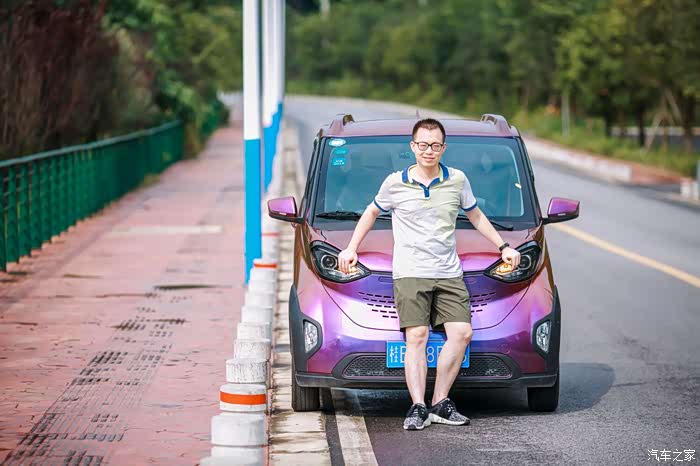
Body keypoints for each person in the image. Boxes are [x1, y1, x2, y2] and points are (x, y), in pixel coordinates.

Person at [337, 118, 521, 430]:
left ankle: (439, 402)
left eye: (435, 145)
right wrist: (351, 248)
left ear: (443, 148)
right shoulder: (395, 183)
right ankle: (418, 406)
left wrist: (503, 246)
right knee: (417, 336)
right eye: (423, 145)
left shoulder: (457, 180)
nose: (428, 151)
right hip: (410, 273)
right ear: (413, 146)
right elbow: (372, 211)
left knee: (461, 334)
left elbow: (475, 214)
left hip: (448, 272)